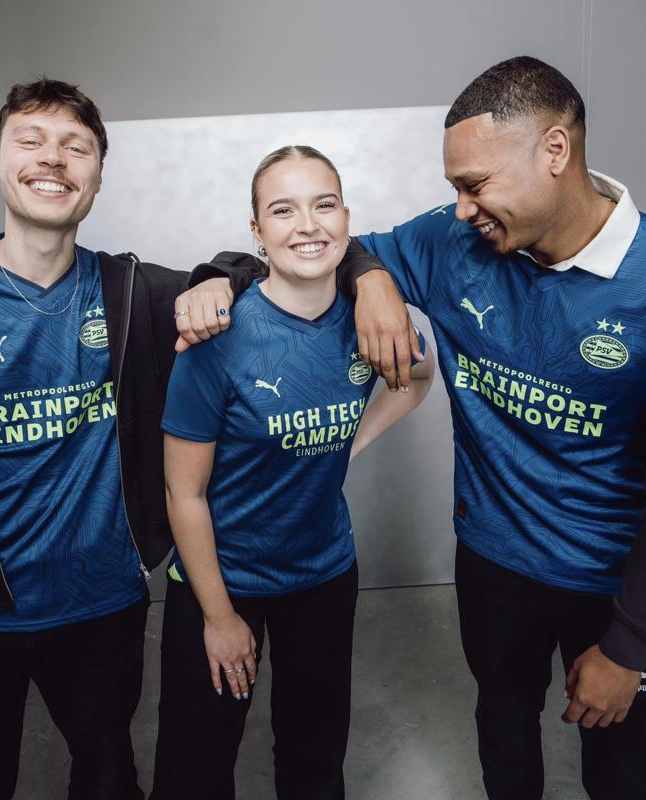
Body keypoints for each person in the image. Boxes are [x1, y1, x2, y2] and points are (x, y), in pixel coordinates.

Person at [176, 57, 646, 800]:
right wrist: (359, 279)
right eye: (454, 189)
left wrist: (631, 645)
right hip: (492, 563)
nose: (462, 209)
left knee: (628, 773)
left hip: (614, 583)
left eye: (476, 185)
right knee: (505, 739)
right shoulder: (455, 239)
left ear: (555, 151)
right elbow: (320, 250)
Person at [0, 77, 258, 800]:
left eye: (76, 147)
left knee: (108, 778)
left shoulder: (130, 292)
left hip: (101, 607)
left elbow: (253, 269)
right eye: (31, 140)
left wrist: (216, 280)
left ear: (98, 175)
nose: (53, 159)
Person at [150, 145, 433, 800]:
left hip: (322, 576)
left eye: (323, 205)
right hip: (222, 580)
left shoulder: (370, 322)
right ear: (257, 232)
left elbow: (418, 376)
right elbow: (183, 493)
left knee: (314, 757)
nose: (307, 225)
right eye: (283, 210)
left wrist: (346, 446)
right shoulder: (218, 339)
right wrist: (219, 618)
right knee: (195, 767)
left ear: (346, 219)